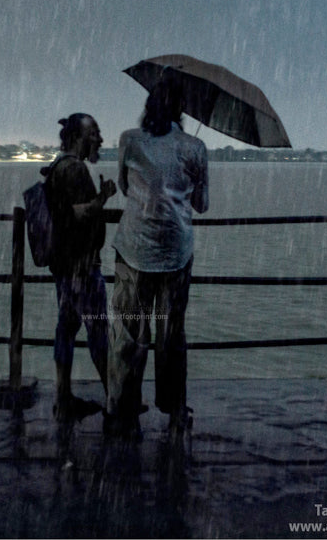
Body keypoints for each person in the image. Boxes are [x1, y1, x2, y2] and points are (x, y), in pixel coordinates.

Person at [106, 76, 209, 437]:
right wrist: (189, 182)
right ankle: (175, 408)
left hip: (134, 247)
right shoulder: (195, 147)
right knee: (171, 334)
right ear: (181, 109)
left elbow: (123, 186)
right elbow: (202, 205)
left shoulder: (129, 141)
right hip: (176, 253)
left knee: (129, 333)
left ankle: (123, 409)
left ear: (149, 105)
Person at [44, 113, 117, 421]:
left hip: (65, 265)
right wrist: (102, 198)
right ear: (78, 137)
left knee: (67, 329)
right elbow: (77, 214)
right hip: (82, 267)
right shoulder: (74, 169)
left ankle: (63, 399)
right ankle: (116, 401)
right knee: (98, 331)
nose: (99, 139)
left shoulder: (59, 166)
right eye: (94, 134)